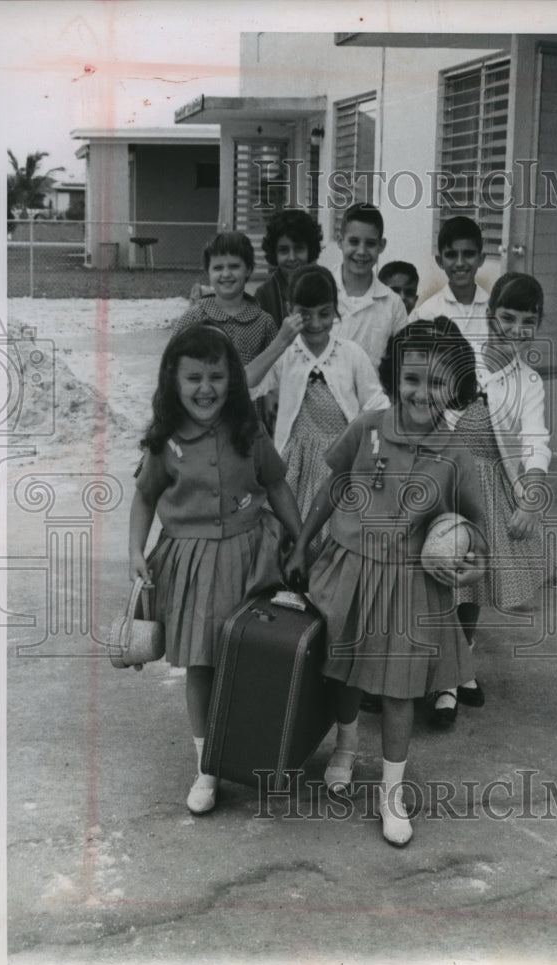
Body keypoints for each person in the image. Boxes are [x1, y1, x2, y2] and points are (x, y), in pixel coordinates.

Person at [285, 318, 487, 847]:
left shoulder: (456, 453)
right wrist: (304, 541)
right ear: (395, 378)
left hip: (411, 586)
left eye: (438, 381)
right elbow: (334, 487)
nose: (423, 392)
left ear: (455, 386)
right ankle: (346, 747)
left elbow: (476, 530)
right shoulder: (367, 428)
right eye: (413, 379)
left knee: (399, 692)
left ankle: (391, 792)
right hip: (351, 567)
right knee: (346, 675)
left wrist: (473, 565)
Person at [128, 322, 302, 815]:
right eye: (193, 379)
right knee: (203, 662)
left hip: (252, 556)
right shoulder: (165, 441)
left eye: (217, 377)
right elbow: (143, 496)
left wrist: (302, 540)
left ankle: (258, 756)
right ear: (173, 383)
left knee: (256, 657)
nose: (206, 389)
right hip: (194, 563)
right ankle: (206, 766)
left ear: (233, 380)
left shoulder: (249, 430)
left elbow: (277, 485)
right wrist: (134, 549)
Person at [429, 272, 551, 728]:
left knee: (470, 581)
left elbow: (537, 439)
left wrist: (531, 496)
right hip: (445, 476)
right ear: (490, 314)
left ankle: (454, 675)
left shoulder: (529, 382)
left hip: (488, 483)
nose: (515, 330)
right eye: (507, 317)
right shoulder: (462, 360)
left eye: (527, 321)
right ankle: (440, 671)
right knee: (439, 576)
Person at [247, 264, 388, 551]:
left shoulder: (351, 354)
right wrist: (280, 342)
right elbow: (246, 385)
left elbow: (378, 407)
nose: (314, 324)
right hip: (293, 463)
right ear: (290, 310)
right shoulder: (287, 353)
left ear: (336, 310)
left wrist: (371, 457)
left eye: (324, 314)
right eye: (304, 315)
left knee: (333, 538)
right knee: (290, 534)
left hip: (338, 461)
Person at [174, 231, 277, 367]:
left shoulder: (264, 323)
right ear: (208, 272)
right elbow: (172, 365)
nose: (226, 274)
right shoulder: (193, 318)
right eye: (218, 268)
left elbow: (276, 370)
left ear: (248, 269)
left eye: (234, 266)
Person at [332, 202, 408, 368]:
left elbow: (402, 362)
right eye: (354, 241)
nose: (361, 251)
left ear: (381, 245)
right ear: (340, 241)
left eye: (370, 244)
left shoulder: (393, 304)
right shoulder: (321, 289)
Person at [409, 216, 489, 343]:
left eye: (468, 254)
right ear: (440, 261)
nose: (460, 263)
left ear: (481, 259)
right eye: (451, 255)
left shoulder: (494, 310)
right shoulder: (426, 313)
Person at [253, 209, 324, 328]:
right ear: (274, 252)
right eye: (284, 250)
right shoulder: (264, 295)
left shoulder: (324, 286)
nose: (292, 258)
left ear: (310, 249)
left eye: (299, 248)